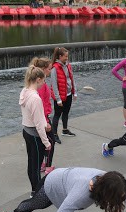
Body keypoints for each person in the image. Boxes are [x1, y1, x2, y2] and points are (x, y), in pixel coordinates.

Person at [20, 65, 52, 197]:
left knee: (31, 163)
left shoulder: (25, 91)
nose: (44, 83)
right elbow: (39, 125)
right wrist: (46, 143)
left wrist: (43, 123)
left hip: (26, 131)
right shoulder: (35, 98)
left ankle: (34, 188)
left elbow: (33, 117)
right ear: (38, 79)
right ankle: (37, 192)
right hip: (35, 134)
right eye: (44, 80)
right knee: (37, 165)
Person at [30, 57, 55, 175]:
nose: (51, 71)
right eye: (49, 69)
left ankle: (42, 164)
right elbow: (40, 106)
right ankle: (48, 167)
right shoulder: (40, 86)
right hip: (43, 118)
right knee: (51, 142)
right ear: (44, 69)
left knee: (44, 143)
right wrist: (46, 122)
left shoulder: (40, 83)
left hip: (44, 117)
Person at [51, 47, 77, 145]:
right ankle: (54, 134)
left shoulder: (68, 65)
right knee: (57, 115)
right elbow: (54, 85)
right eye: (65, 56)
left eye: (67, 56)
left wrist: (75, 92)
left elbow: (72, 78)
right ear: (60, 56)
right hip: (60, 97)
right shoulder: (55, 68)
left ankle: (65, 130)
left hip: (68, 94)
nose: (67, 58)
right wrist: (58, 99)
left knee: (66, 113)